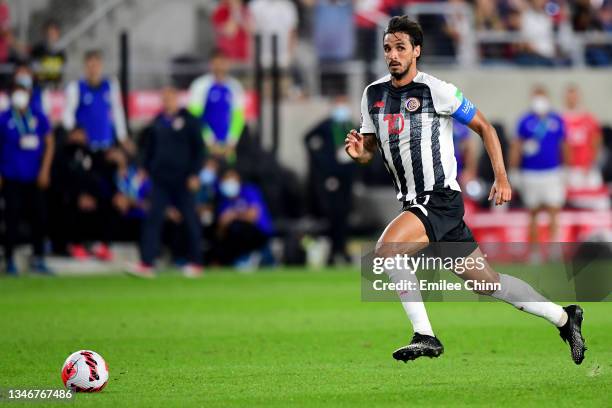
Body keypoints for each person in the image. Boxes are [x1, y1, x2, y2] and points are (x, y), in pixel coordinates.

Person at [345, 16, 585, 364]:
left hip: (438, 198)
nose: (393, 55)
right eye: (387, 48)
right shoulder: (373, 95)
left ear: (417, 51)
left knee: (388, 251)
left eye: (400, 48)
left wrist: (502, 177)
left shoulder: (435, 90)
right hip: (416, 203)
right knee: (488, 283)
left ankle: (425, 335)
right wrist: (360, 154)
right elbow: (370, 149)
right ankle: (565, 318)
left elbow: (485, 127)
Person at [129, 86, 205, 278]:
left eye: (171, 97)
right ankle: (147, 263)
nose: (167, 101)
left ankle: (196, 262)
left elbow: (200, 150)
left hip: (183, 179)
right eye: (164, 97)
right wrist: (144, 169)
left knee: (189, 219)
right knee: (153, 219)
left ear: (178, 99)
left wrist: (195, 174)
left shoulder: (189, 121)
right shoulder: (157, 123)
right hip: (161, 179)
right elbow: (148, 149)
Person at [0, 82, 54, 275]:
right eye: (16, 91)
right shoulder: (4, 118)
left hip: (34, 176)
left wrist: (45, 170)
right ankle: (9, 260)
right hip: (11, 175)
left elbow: (49, 142)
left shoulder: (38, 116)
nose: (19, 95)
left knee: (39, 218)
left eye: (22, 91)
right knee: (11, 219)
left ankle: (38, 258)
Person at [510, 86, 566, 246]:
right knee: (533, 212)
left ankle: (555, 249)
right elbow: (516, 147)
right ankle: (534, 251)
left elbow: (564, 145)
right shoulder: (525, 121)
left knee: (554, 210)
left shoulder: (556, 119)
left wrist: (565, 168)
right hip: (530, 173)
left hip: (552, 172)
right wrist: (514, 170)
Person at [304, 94, 356, 264]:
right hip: (331, 176)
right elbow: (308, 138)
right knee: (332, 214)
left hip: (347, 176)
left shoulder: (351, 125)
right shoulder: (327, 125)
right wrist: (322, 160)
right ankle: (334, 251)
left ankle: (342, 248)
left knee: (344, 213)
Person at [62, 50, 131, 153]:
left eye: (96, 66)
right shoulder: (75, 87)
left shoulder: (110, 85)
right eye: (90, 66)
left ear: (101, 66)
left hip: (106, 145)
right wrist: (75, 131)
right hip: (85, 147)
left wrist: (122, 136)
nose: (93, 70)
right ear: (85, 67)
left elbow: (117, 111)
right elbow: (67, 114)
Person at [188, 50, 245, 163]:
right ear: (211, 64)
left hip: (227, 149)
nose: (219, 67)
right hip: (206, 148)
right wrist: (210, 141)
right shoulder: (199, 86)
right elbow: (195, 116)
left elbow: (238, 117)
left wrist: (231, 142)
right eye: (216, 64)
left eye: (223, 63)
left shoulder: (235, 87)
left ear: (228, 64)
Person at [212, 168, 273, 267]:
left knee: (239, 227)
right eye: (226, 180)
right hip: (235, 238)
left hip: (258, 231)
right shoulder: (224, 200)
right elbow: (221, 226)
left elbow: (253, 215)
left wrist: (234, 215)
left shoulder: (248, 191)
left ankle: (250, 257)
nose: (229, 183)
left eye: (232, 179)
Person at [562, 85, 603, 191]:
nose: (572, 100)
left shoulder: (588, 118)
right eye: (569, 97)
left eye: (574, 96)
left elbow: (596, 141)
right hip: (570, 167)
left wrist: (591, 162)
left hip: (587, 166)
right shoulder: (561, 120)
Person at [31, 19, 67, 89]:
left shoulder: (61, 52)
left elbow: (62, 71)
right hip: (39, 87)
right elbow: (34, 69)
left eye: (54, 33)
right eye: (49, 33)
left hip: (55, 89)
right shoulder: (38, 49)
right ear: (45, 34)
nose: (51, 36)